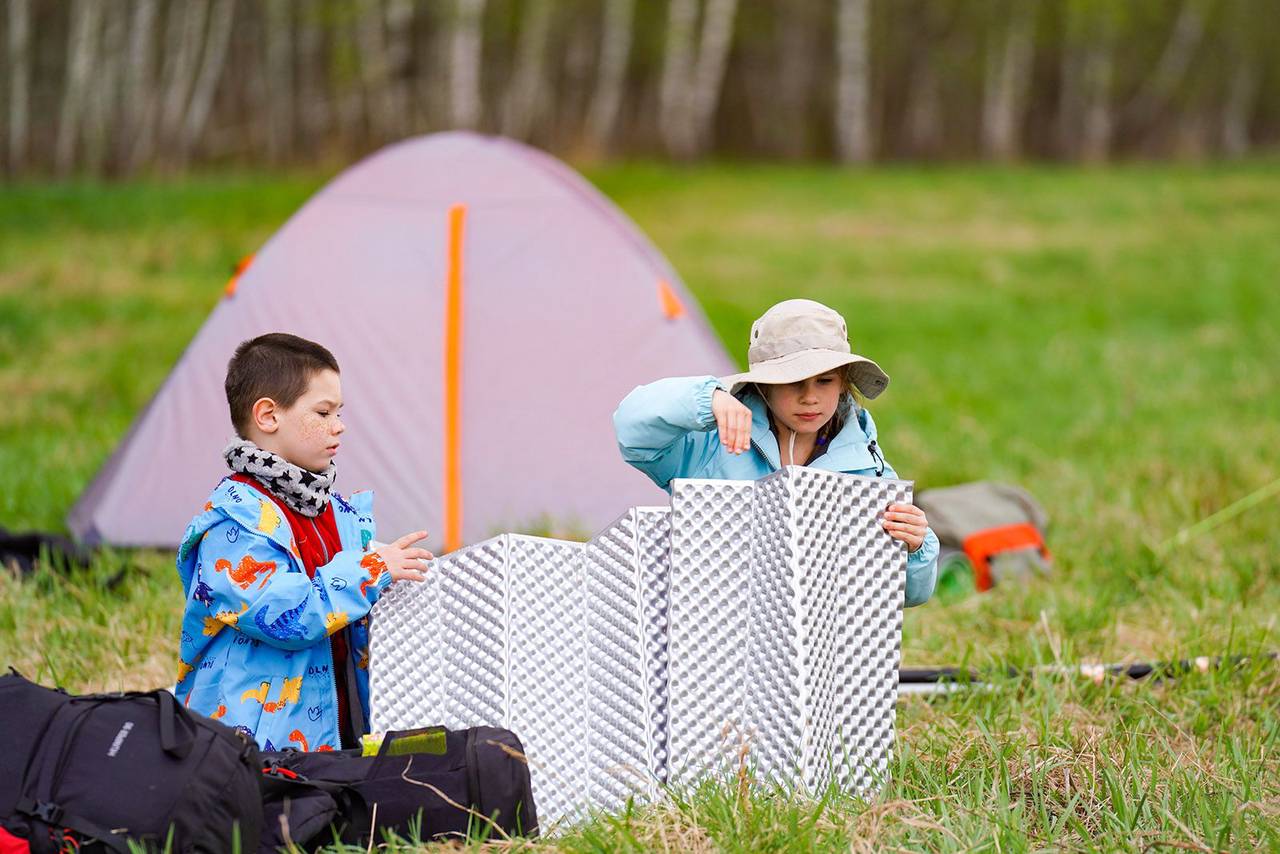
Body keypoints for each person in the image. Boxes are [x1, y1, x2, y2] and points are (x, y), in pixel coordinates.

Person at [174, 333, 432, 751]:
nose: (339, 425)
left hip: (336, 735)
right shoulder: (233, 525)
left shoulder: (334, 512)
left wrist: (398, 574)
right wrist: (370, 571)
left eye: (339, 411)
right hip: (253, 749)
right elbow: (287, 615)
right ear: (268, 416)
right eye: (323, 411)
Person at [613, 299, 938, 606]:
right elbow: (633, 431)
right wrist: (706, 399)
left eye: (824, 381)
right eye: (792, 381)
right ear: (763, 385)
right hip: (713, 628)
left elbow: (907, 595)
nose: (810, 397)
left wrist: (915, 547)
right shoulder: (712, 443)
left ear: (843, 384)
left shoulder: (866, 465)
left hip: (818, 645)